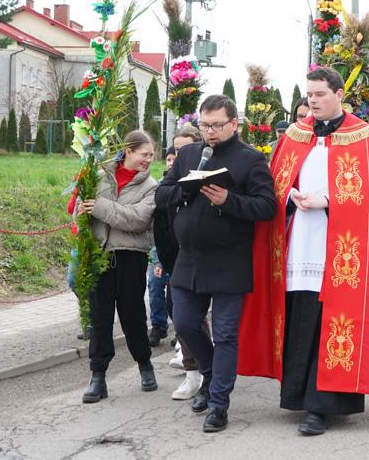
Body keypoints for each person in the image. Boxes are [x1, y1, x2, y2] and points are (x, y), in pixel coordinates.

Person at [237, 67, 369, 436]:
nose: (312, 101)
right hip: (297, 244)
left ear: (339, 93)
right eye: (309, 94)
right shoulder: (295, 135)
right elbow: (274, 186)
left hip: (343, 249)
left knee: (333, 321)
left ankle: (323, 406)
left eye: (320, 94)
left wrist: (328, 200)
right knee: (300, 316)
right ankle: (297, 396)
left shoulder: (365, 138)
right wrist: (289, 197)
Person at [157, 95, 277, 433]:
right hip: (189, 259)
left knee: (225, 336)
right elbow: (161, 194)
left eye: (216, 125)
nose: (210, 132)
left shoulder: (251, 160)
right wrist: (184, 191)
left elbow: (267, 207)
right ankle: (209, 375)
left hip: (229, 261)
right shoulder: (189, 154)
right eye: (205, 125)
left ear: (234, 123)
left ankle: (219, 404)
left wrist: (229, 200)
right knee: (183, 322)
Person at [75, 130, 159, 404]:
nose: (149, 159)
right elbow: (80, 210)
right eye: (145, 154)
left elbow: (136, 220)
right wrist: (80, 208)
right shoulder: (98, 177)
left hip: (130, 258)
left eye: (151, 155)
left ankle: (145, 364)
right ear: (128, 151)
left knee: (133, 316)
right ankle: (97, 377)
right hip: (99, 256)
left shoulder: (152, 187)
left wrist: (98, 207)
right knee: (99, 319)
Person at [156, 127, 215, 400]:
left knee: (200, 319)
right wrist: (167, 263)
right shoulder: (169, 185)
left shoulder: (208, 180)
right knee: (180, 316)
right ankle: (194, 374)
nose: (179, 156)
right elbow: (162, 227)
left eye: (185, 150)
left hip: (208, 259)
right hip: (178, 262)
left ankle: (208, 372)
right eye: (175, 151)